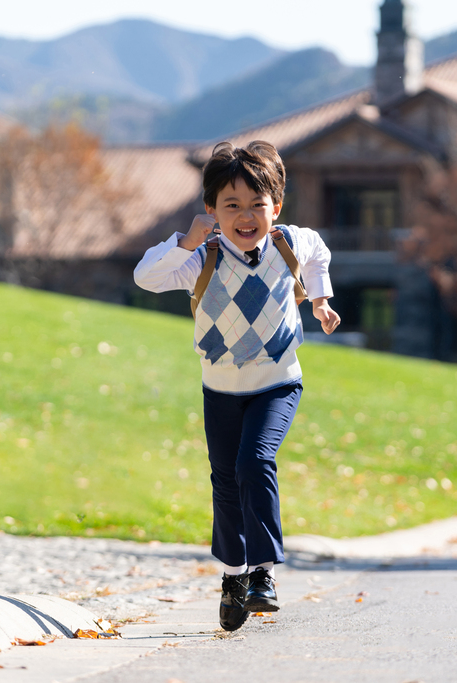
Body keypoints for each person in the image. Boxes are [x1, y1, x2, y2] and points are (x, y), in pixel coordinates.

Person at [134, 140, 340, 631]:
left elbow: (319, 254)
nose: (246, 217)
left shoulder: (291, 242)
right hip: (220, 390)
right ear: (212, 211)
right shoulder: (199, 257)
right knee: (225, 482)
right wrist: (185, 240)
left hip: (277, 385)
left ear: (276, 207)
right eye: (232, 206)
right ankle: (233, 578)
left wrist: (319, 300)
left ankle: (263, 573)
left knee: (255, 462)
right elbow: (145, 276)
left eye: (257, 205)